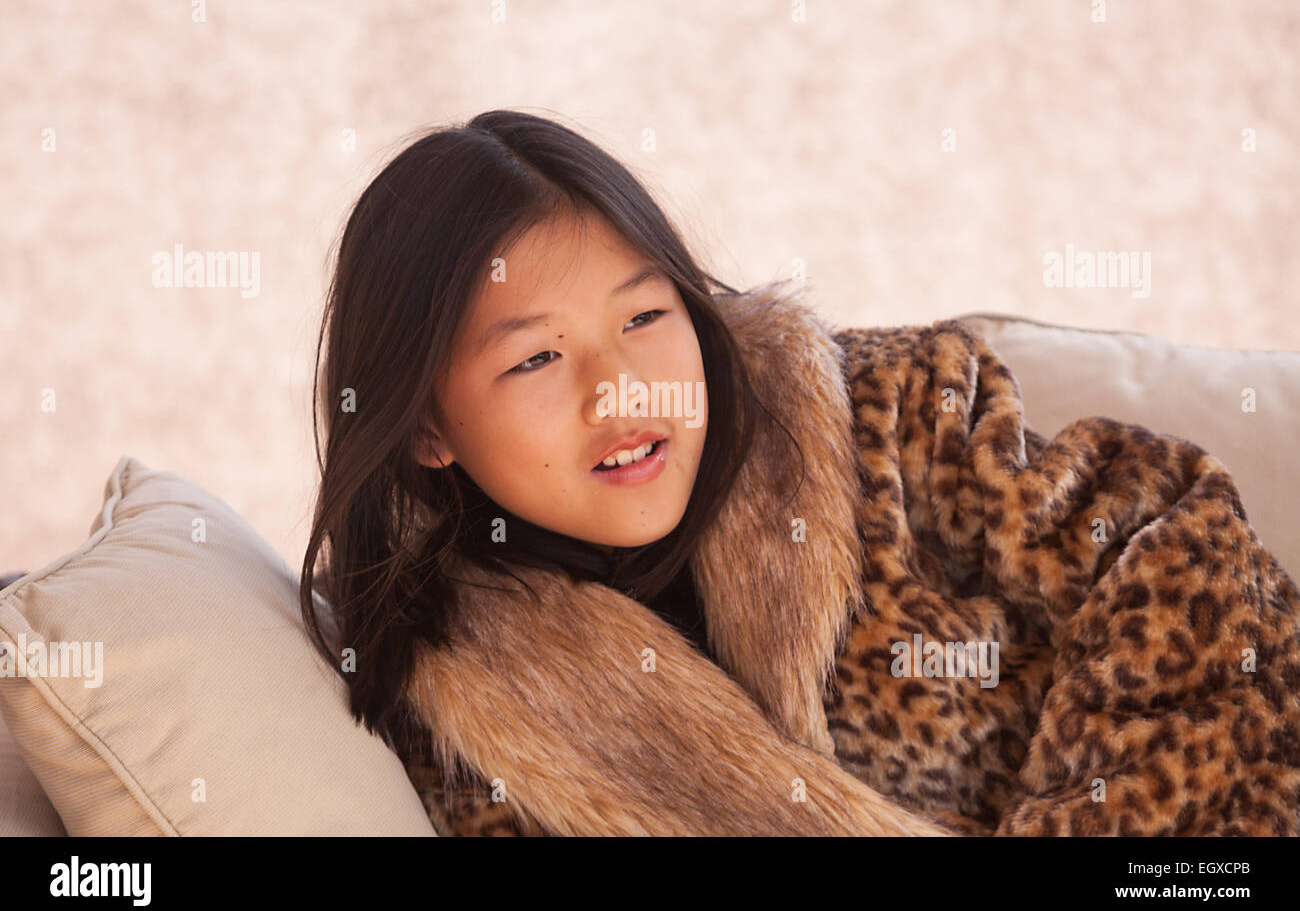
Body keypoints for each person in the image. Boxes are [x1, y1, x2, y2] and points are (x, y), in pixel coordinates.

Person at [298, 109, 955, 837]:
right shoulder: (450, 728)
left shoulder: (903, 416)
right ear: (427, 429)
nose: (623, 389)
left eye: (642, 318)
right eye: (536, 359)